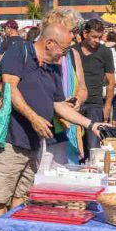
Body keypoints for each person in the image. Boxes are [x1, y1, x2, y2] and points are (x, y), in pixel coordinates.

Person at [0, 15, 106, 220]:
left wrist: (91, 124)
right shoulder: (19, 52)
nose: (64, 56)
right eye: (64, 50)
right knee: (0, 198)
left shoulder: (54, 67)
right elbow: (10, 89)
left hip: (33, 142)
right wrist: (33, 118)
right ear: (49, 43)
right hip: (9, 140)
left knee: (21, 196)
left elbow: (58, 104)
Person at [43, 9, 88, 166]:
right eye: (72, 31)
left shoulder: (73, 55)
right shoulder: (42, 55)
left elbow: (82, 88)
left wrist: (78, 101)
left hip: (70, 128)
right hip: (47, 127)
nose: (75, 36)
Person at [75, 19, 114, 152]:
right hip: (75, 103)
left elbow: (110, 82)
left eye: (99, 37)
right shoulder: (73, 51)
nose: (97, 40)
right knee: (74, 146)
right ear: (85, 34)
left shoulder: (105, 52)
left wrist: (107, 106)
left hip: (95, 104)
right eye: (94, 37)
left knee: (93, 146)